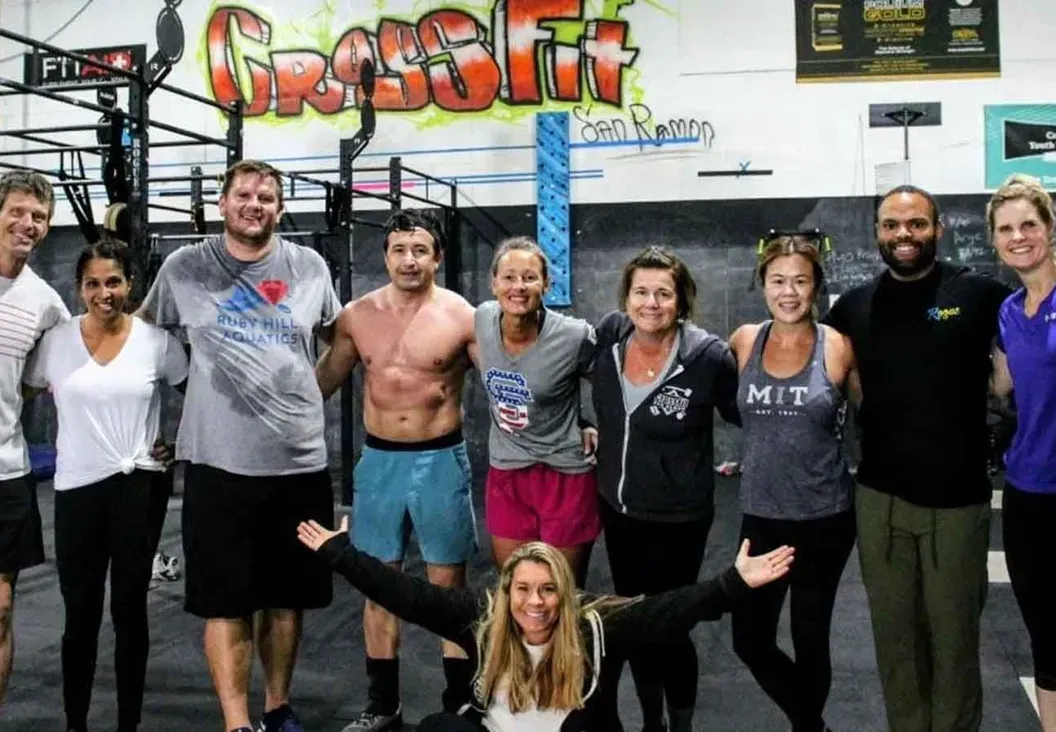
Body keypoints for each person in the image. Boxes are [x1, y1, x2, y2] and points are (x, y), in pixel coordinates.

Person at [137, 159, 340, 732]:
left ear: (280, 207)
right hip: (217, 463)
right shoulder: (185, 267)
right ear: (223, 204)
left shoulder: (308, 267)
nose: (255, 204)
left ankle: (278, 708)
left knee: (286, 598)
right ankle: (237, 722)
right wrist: (147, 426)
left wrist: (309, 392)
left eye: (267, 197)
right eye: (244, 195)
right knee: (226, 601)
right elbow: (142, 341)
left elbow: (341, 338)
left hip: (298, 462)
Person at [296, 516, 794, 732]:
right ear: (507, 592)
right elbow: (407, 596)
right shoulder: (483, 618)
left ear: (565, 592)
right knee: (441, 728)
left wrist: (734, 582)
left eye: (548, 589)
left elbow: (671, 610)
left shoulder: (596, 626)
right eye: (524, 590)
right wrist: (342, 555)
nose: (535, 603)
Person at [823, 185, 1011, 732]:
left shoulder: (979, 295)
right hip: (879, 500)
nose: (903, 236)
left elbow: (1023, 357)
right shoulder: (852, 307)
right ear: (877, 232)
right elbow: (830, 382)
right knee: (896, 644)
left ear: (938, 229)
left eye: (916, 225)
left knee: (953, 641)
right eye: (891, 226)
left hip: (957, 502)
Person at [315, 209, 477, 732]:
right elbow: (319, 385)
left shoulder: (462, 316)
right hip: (380, 461)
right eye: (399, 250)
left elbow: (510, 383)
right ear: (385, 256)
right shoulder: (357, 316)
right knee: (377, 583)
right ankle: (383, 704)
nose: (409, 260)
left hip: (441, 461)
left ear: (438, 256)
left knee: (448, 587)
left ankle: (461, 702)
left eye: (420, 250)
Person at [23, 236, 188, 732]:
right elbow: (19, 393)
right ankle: (76, 724)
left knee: (129, 611)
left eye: (113, 282)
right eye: (93, 283)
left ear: (130, 285)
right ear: (78, 290)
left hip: (138, 486)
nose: (104, 293)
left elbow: (200, 394)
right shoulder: (54, 343)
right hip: (76, 490)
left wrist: (177, 444)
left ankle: (128, 725)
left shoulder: (157, 343)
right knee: (80, 615)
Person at [590, 246, 740, 732]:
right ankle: (651, 722)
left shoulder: (708, 357)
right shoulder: (610, 336)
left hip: (680, 518)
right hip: (619, 509)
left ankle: (680, 726)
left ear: (681, 301)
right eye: (640, 292)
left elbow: (747, 413)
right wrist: (576, 424)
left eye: (663, 293)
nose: (650, 303)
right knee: (634, 622)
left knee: (671, 627)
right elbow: (551, 375)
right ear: (626, 297)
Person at [728, 234, 858, 732]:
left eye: (801, 281)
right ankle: (814, 725)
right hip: (760, 514)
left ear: (817, 288)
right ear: (762, 285)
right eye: (778, 280)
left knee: (810, 637)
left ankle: (806, 728)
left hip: (824, 517)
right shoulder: (744, 340)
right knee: (749, 638)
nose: (789, 292)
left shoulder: (838, 346)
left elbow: (875, 415)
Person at [475, 236, 600, 587]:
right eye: (509, 277)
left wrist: (590, 423)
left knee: (561, 589)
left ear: (546, 284)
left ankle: (571, 645)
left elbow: (611, 387)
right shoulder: (482, 319)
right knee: (515, 586)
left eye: (529, 277)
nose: (518, 286)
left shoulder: (573, 336)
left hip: (565, 473)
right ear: (494, 283)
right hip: (508, 471)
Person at [986, 174, 1056, 732]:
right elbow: (1004, 386)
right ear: (994, 241)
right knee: (1046, 635)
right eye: (1006, 229)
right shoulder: (1009, 312)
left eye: (1029, 224)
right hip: (1029, 489)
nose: (1019, 236)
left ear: (1049, 229)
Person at [0, 171, 69, 706]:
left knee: (1, 609)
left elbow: (51, 383)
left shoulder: (46, 303)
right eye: (18, 211)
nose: (27, 224)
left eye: (39, 217)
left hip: (6, 473)